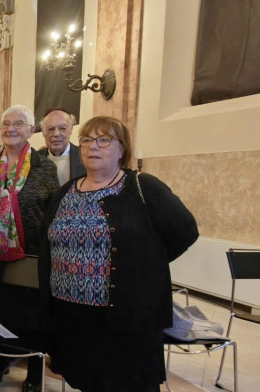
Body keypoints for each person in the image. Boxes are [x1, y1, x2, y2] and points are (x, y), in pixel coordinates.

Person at [38, 116, 198, 392]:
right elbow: (47, 241)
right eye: (87, 140)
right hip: (72, 315)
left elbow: (185, 231)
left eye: (104, 140)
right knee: (86, 380)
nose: (93, 147)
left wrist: (141, 264)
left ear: (122, 149)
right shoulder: (66, 192)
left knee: (127, 383)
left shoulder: (142, 186)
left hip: (124, 315)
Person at [0, 105, 57, 391]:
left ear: (31, 130)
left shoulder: (44, 167)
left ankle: (34, 370)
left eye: (19, 123)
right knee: (0, 311)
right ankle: (1, 359)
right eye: (6, 123)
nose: (11, 128)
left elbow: (53, 212)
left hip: (33, 255)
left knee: (32, 316)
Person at [38, 108, 86, 186]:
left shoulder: (85, 156)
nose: (56, 134)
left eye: (62, 128)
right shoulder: (34, 159)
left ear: (71, 129)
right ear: (43, 131)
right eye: (51, 129)